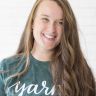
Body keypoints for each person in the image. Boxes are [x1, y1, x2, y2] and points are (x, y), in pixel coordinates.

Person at [0, 0, 96, 96]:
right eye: (45, 19)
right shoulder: (7, 68)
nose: (51, 29)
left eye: (60, 22)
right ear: (32, 22)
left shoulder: (79, 70)